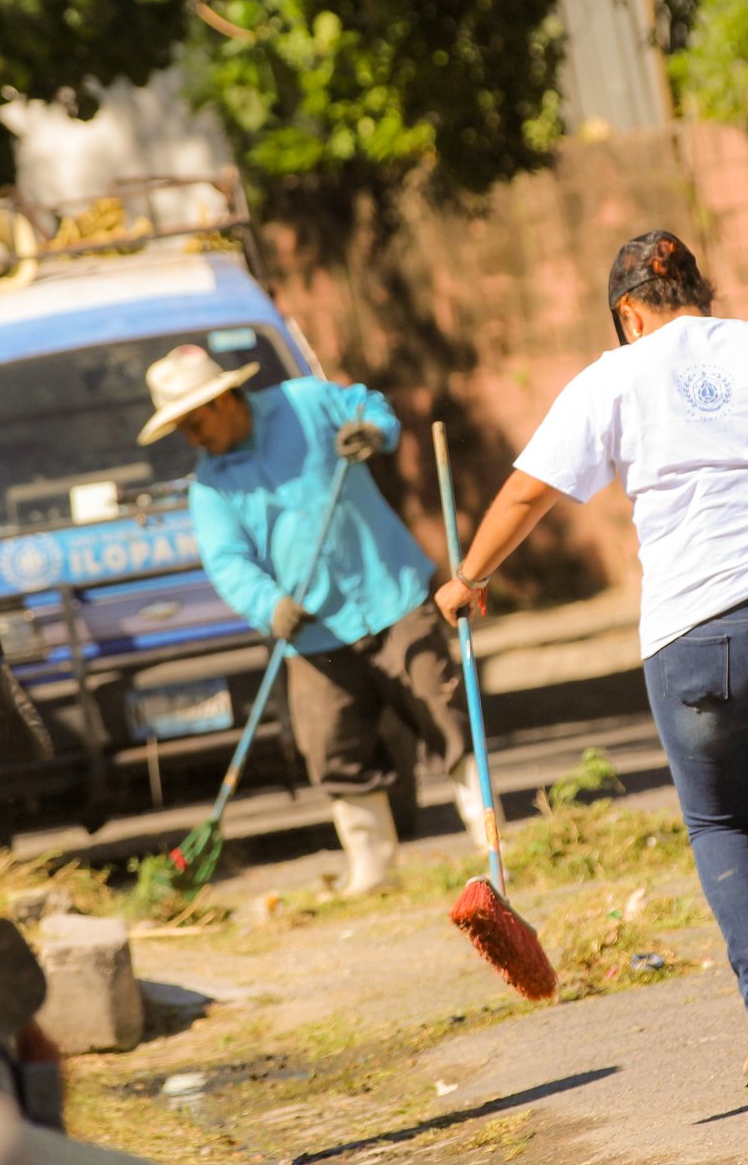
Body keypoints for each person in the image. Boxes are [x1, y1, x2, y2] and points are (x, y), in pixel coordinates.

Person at [435, 232, 748, 1086]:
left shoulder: (614, 377)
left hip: (700, 635)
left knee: (723, 822)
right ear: (699, 290)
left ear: (629, 313)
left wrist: (469, 578)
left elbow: (528, 492)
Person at [139, 345, 488, 894]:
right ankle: (374, 872)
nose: (192, 436)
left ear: (226, 398)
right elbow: (228, 563)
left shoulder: (304, 402)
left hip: (388, 592)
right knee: (330, 742)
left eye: (195, 420)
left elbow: (370, 407)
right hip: (314, 630)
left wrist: (373, 432)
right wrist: (269, 604)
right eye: (181, 426)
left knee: (445, 711)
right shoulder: (210, 489)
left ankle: (492, 844)